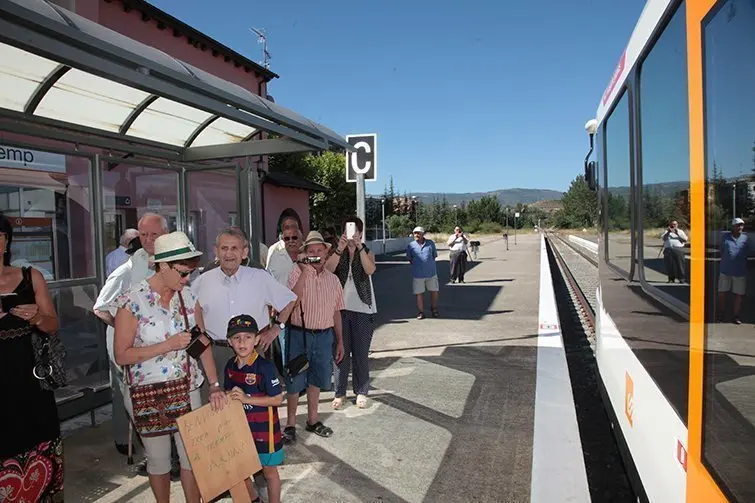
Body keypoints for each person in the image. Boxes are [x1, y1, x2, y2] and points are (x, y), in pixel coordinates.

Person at [114, 231, 223, 503]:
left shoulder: (188, 297)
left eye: (190, 273)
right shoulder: (131, 300)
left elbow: (202, 344)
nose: (188, 280)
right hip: (147, 393)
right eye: (183, 273)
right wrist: (166, 345)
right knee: (159, 460)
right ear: (163, 266)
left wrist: (215, 384)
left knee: (191, 457)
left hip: (188, 388)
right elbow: (121, 355)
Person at [93, 213, 169, 473]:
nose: (148, 240)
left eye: (154, 235)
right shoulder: (126, 270)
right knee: (133, 401)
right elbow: (100, 308)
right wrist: (126, 329)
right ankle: (144, 453)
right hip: (129, 351)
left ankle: (163, 456)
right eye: (144, 235)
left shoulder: (167, 264)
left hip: (160, 352)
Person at [192, 227, 296, 403]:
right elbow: (190, 314)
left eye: (235, 248)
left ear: (244, 252)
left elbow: (290, 300)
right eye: (224, 248)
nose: (229, 254)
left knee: (253, 410)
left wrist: (277, 328)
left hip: (253, 354)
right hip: (215, 355)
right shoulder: (203, 281)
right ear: (216, 251)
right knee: (213, 412)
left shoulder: (260, 278)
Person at [0, 213, 64, 502]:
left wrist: (37, 316)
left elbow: (53, 325)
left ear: (6, 242)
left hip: (30, 378)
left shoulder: (30, 276)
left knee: (36, 440)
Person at [283, 231, 345, 443]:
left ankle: (312, 420)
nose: (316, 254)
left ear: (326, 253)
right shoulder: (296, 272)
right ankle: (290, 424)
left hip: (324, 336)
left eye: (320, 250)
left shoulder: (334, 280)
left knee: (316, 379)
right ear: (305, 254)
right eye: (311, 251)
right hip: (299, 335)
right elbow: (292, 299)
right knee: (294, 379)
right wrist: (303, 271)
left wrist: (340, 341)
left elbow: (337, 311)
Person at [223, 315, 284, 503]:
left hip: (265, 432)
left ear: (257, 339)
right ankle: (254, 500)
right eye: (237, 338)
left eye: (248, 337)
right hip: (242, 432)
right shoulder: (230, 366)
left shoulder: (264, 367)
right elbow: (229, 394)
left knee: (269, 473)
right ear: (229, 342)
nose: (242, 342)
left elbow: (277, 399)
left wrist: (246, 399)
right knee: (241, 472)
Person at [325, 217, 377, 409]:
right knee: (339, 353)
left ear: (361, 233)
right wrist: (340, 248)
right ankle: (339, 393)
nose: (352, 235)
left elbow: (370, 269)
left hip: (363, 309)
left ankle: (361, 391)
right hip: (339, 309)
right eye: (349, 231)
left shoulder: (368, 251)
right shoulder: (336, 251)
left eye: (356, 232)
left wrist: (359, 248)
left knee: (361, 354)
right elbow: (328, 270)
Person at [717, 217, 755, 324]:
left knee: (738, 295)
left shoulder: (746, 238)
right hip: (725, 270)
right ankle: (721, 313)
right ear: (733, 227)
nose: (740, 227)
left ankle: (736, 316)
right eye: (738, 225)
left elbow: (749, 252)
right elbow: (722, 250)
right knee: (722, 293)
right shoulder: (725, 237)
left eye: (741, 225)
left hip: (740, 271)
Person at [406, 227, 439, 319]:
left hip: (431, 273)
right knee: (419, 293)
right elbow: (409, 258)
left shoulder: (430, 243)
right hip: (418, 274)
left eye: (418, 233)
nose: (416, 235)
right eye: (415, 233)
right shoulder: (411, 245)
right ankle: (421, 312)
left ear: (423, 234)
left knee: (434, 292)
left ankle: (434, 309)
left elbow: (434, 255)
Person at [267, 215, 302, 287]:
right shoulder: (274, 253)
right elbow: (269, 278)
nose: (291, 241)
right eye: (287, 239)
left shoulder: (308, 252)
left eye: (294, 238)